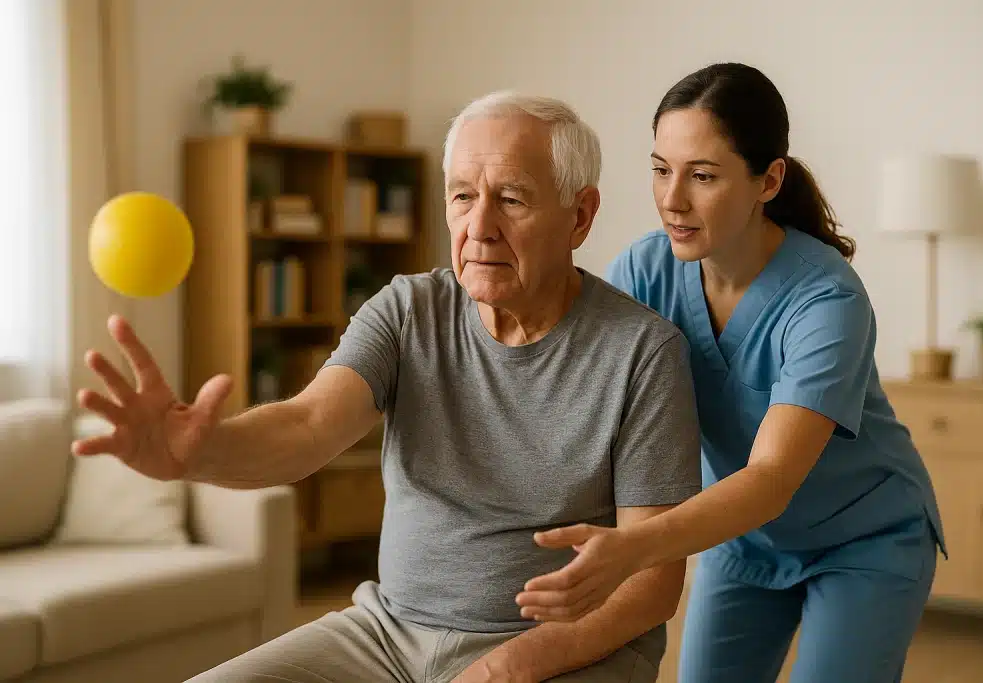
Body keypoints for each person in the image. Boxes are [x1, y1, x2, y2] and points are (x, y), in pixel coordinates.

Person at [72, 91, 704, 683]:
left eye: (511, 199)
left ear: (580, 215)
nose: (479, 227)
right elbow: (306, 426)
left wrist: (510, 665)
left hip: (560, 649)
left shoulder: (643, 353)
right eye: (462, 197)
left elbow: (650, 584)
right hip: (388, 633)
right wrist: (198, 453)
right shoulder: (408, 311)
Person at [515, 63, 946, 683]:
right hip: (741, 541)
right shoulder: (645, 270)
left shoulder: (827, 300)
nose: (671, 199)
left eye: (703, 176)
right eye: (661, 169)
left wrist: (633, 546)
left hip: (865, 540)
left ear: (768, 180)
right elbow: (580, 396)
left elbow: (771, 477)